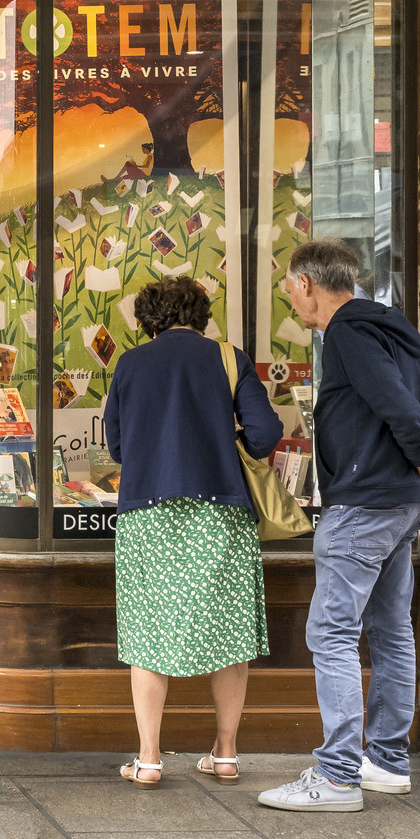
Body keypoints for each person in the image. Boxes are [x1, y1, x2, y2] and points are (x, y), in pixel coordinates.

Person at [259, 238, 420, 814]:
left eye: (290, 288)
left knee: (331, 634)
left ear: (308, 284)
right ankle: (385, 761)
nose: (291, 298)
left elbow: (410, 418)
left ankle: (337, 777)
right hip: (400, 507)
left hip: (362, 506)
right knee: (390, 631)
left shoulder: (347, 333)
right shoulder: (397, 330)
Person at [103, 274, 284, 786]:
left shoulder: (131, 364)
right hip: (220, 512)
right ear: (200, 315)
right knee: (228, 636)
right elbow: (267, 433)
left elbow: (117, 449)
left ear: (146, 320)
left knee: (147, 635)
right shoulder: (230, 358)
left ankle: (149, 759)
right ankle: (225, 754)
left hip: (148, 515)